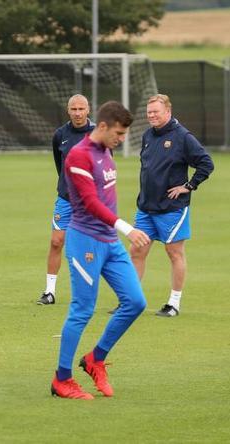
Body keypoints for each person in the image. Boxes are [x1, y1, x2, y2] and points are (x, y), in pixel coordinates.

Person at [50, 101, 151, 400]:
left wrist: (117, 232)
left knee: (135, 302)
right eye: (118, 133)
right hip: (85, 242)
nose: (121, 139)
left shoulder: (106, 150)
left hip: (109, 242)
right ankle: (62, 379)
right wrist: (127, 228)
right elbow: (92, 204)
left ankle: (95, 359)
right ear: (103, 127)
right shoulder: (78, 155)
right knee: (83, 309)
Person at [112, 94, 214, 317]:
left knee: (174, 252)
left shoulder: (182, 136)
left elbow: (206, 163)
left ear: (168, 112)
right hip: (146, 207)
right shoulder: (148, 135)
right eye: (149, 112)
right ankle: (131, 301)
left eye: (156, 112)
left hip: (172, 208)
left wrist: (189, 185)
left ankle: (173, 303)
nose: (152, 116)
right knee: (136, 250)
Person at [38, 94, 95, 305]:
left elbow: (104, 166)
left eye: (81, 109)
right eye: (74, 109)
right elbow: (59, 163)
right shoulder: (60, 134)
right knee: (56, 241)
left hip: (89, 201)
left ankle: (86, 293)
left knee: (87, 246)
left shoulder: (97, 134)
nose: (78, 113)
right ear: (68, 110)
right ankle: (49, 291)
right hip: (65, 198)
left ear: (88, 110)